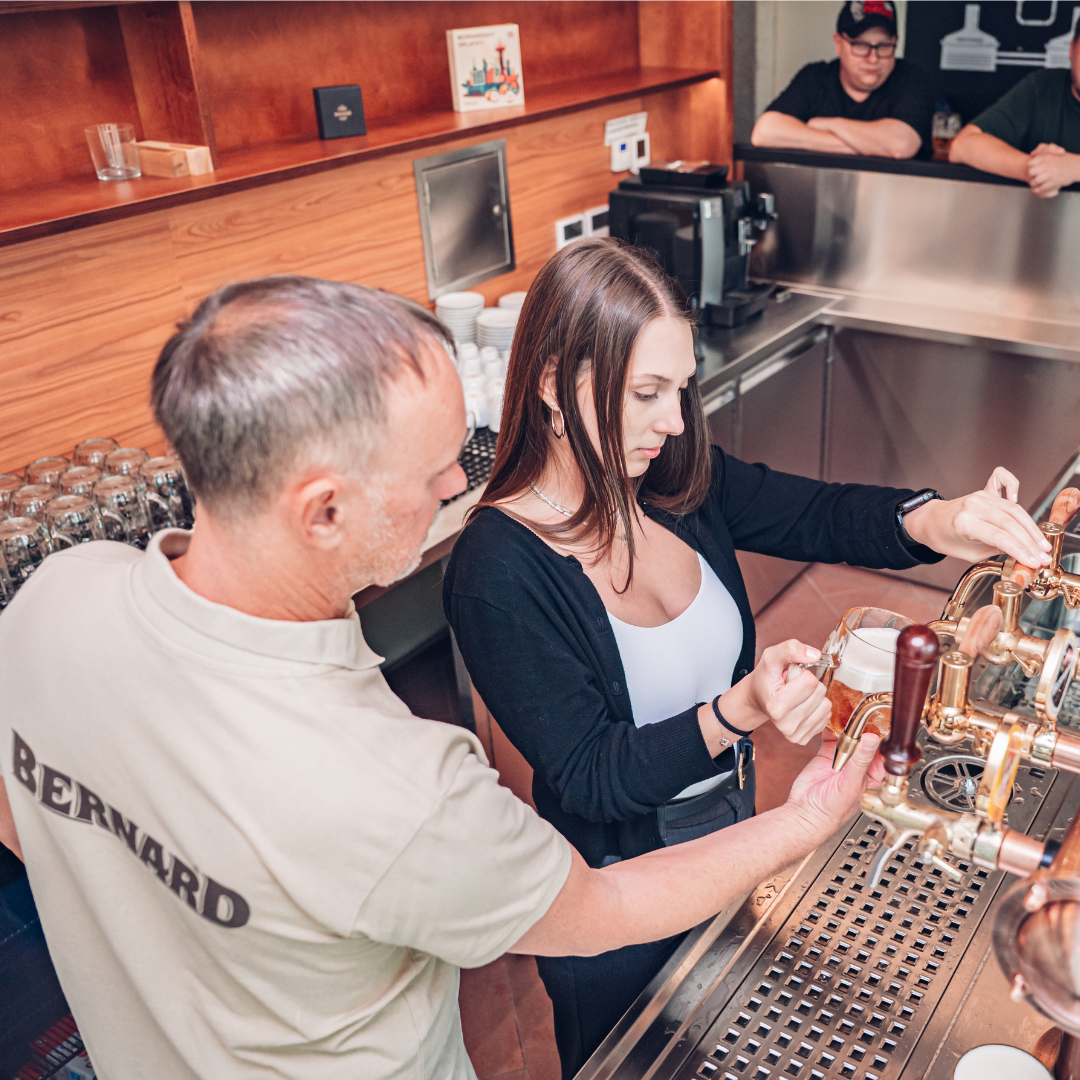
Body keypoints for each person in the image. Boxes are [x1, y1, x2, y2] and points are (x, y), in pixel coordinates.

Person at [0, 276, 892, 1080]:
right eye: (436, 473)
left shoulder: (53, 599)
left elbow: (21, 818)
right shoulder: (398, 788)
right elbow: (606, 906)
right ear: (324, 510)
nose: (455, 493)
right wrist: (807, 819)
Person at [442, 237, 1052, 1078]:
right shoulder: (497, 570)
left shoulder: (667, 479)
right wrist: (739, 711)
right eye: (646, 393)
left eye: (680, 390)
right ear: (551, 384)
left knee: (720, 1015)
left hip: (732, 821)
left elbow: (816, 514)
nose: (673, 421)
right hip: (618, 880)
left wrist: (941, 519)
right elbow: (590, 776)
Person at [751, 1, 935, 160]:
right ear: (838, 43)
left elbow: (900, 145)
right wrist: (869, 146)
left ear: (895, 42)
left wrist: (829, 124)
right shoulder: (815, 77)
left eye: (884, 45)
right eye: (860, 45)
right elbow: (765, 131)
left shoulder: (913, 80)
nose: (873, 58)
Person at [949, 19, 1080, 197]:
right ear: (1071, 49)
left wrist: (1073, 167)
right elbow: (962, 146)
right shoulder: (1043, 86)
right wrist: (1035, 170)